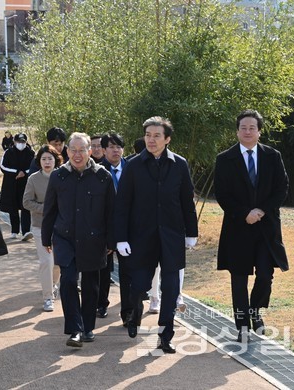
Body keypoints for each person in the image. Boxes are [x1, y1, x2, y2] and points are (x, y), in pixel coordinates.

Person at [115, 116, 198, 354]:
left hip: (172, 236)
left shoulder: (179, 164)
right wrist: (121, 238)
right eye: (148, 135)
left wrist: (191, 232)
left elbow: (186, 201)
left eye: (156, 136)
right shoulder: (132, 165)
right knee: (139, 284)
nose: (151, 140)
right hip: (141, 236)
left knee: (171, 289)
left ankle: (165, 336)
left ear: (167, 139)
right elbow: (122, 204)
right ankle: (133, 313)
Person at [214, 109, 289, 343]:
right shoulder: (224, 159)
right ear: (237, 131)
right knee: (239, 279)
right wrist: (244, 213)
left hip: (266, 227)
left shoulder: (272, 156)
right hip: (238, 227)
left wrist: (261, 210)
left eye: (252, 128)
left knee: (265, 275)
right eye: (243, 128)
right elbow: (222, 194)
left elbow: (282, 188)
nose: (247, 132)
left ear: (259, 131)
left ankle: (255, 311)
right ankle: (242, 326)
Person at [42, 132, 116, 348]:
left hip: (94, 239)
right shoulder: (58, 176)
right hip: (65, 238)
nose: (77, 154)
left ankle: (88, 328)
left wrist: (111, 241)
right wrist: (46, 237)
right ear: (67, 152)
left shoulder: (103, 177)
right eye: (73, 150)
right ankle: (74, 329)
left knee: (92, 284)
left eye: (81, 150)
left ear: (90, 151)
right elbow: (50, 210)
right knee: (67, 280)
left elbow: (111, 213)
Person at [22, 145, 63, 312]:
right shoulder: (33, 178)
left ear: (56, 160)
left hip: (61, 227)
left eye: (50, 159)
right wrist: (46, 208)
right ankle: (48, 297)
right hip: (40, 226)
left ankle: (53, 284)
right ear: (39, 161)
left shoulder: (63, 176)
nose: (47, 162)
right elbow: (26, 202)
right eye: (44, 159)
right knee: (46, 261)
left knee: (58, 264)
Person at [96, 132, 127, 320]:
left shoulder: (133, 169)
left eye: (119, 147)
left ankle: (128, 310)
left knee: (127, 270)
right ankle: (101, 304)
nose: (115, 150)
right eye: (111, 147)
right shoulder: (97, 171)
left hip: (127, 228)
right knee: (103, 269)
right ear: (104, 150)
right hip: (105, 228)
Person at [0, 133, 35, 240]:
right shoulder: (8, 152)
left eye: (23, 142)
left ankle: (26, 231)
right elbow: (2, 166)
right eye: (19, 142)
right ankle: (14, 231)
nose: (21, 144)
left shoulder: (31, 153)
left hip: (26, 184)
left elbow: (35, 166)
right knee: (12, 207)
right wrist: (16, 172)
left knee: (25, 207)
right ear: (14, 142)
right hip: (11, 183)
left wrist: (24, 172)